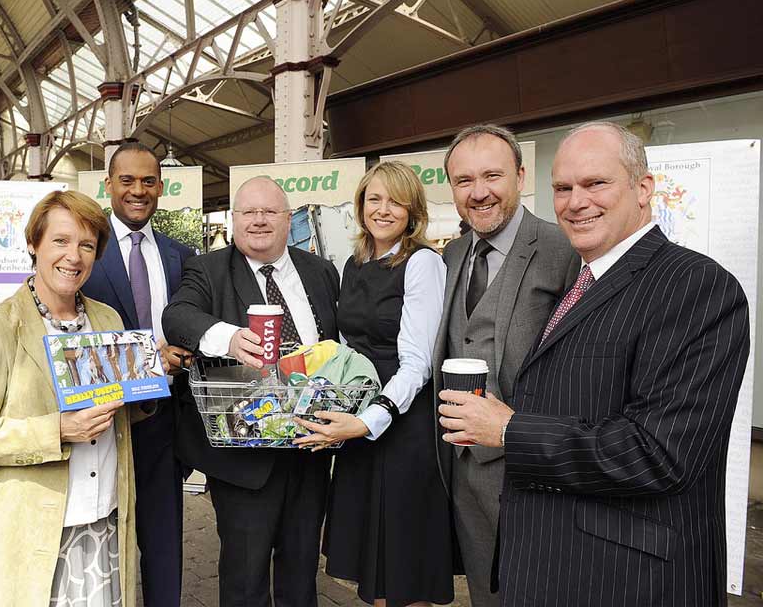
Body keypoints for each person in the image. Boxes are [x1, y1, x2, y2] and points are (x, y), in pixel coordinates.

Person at [440, 121, 751, 606]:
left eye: (596, 183)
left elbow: (658, 453)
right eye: (563, 188)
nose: (576, 201)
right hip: (554, 560)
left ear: (644, 188)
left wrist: (509, 431)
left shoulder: (696, 286)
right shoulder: (588, 278)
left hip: (628, 578)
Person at [0, 190, 143, 607]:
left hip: (104, 523)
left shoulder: (107, 319)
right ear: (33, 244)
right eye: (61, 241)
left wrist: (142, 387)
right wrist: (57, 430)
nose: (74, 256)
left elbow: (115, 416)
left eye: (87, 245)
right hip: (29, 536)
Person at [161, 176, 340, 607]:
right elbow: (178, 316)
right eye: (248, 212)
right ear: (235, 219)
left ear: (286, 218)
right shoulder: (208, 269)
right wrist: (227, 337)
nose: (259, 220)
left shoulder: (320, 271)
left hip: (308, 445)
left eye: (269, 212)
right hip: (243, 458)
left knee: (301, 571)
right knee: (245, 578)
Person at [429, 124, 580, 607]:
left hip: (534, 472)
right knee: (485, 594)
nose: (479, 193)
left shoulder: (564, 249)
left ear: (520, 175)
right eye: (463, 180)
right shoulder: (451, 255)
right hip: (462, 465)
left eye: (492, 176)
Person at [294, 161, 453, 607]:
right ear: (361, 204)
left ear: (412, 209)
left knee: (405, 571)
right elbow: (347, 350)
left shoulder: (423, 263)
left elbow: (419, 364)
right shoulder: (354, 263)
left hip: (402, 425)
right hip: (360, 421)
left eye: (395, 201)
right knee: (374, 570)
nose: (383, 210)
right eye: (374, 198)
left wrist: (367, 421)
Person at [81, 142, 194, 607]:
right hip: (104, 419)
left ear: (161, 188)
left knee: (164, 538)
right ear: (108, 185)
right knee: (107, 534)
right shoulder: (85, 251)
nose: (138, 190)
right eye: (126, 180)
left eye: (148, 181)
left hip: (166, 419)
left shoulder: (180, 255)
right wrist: (149, 362)